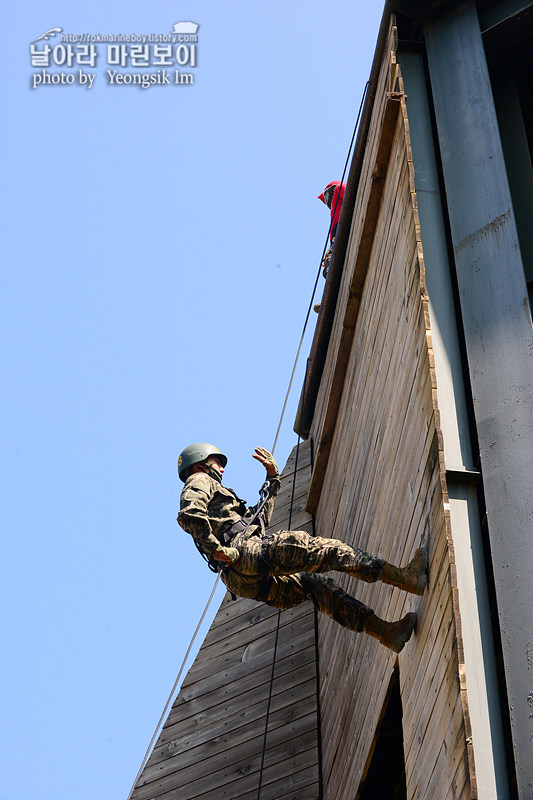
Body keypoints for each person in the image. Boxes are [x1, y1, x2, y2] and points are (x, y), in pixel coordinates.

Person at [177, 443, 427, 653]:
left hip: (240, 578)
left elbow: (258, 522)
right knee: (329, 551)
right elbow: (190, 515)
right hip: (244, 554)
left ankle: (387, 634)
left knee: (315, 587)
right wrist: (217, 549)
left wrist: (273, 480)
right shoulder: (199, 480)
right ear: (200, 464)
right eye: (216, 461)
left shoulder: (218, 500)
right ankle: (407, 578)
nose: (221, 467)